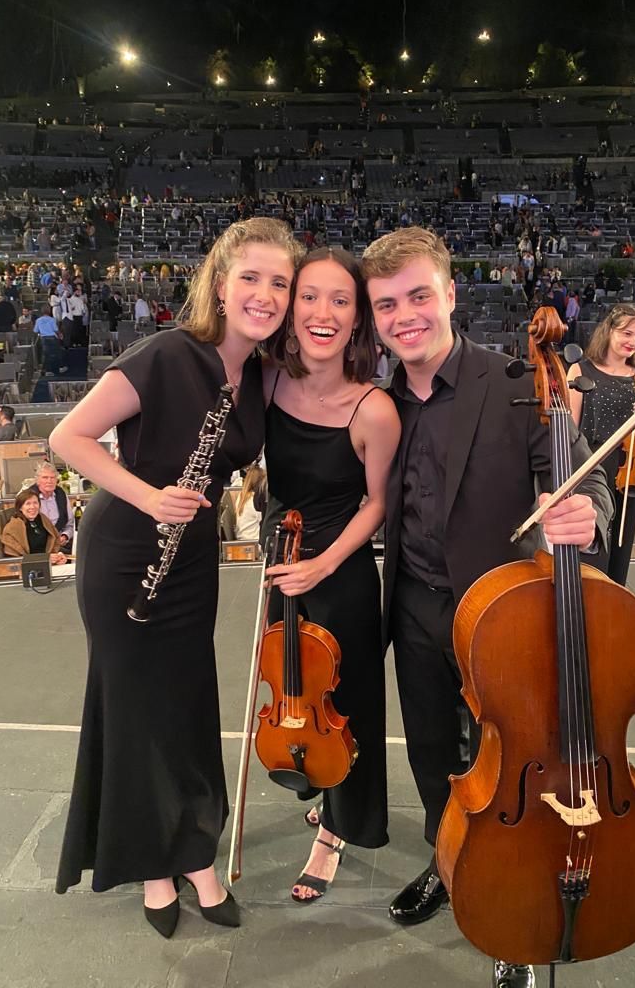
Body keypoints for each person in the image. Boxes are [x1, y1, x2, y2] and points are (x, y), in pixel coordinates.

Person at [360, 228, 613, 988]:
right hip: (414, 606)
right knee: (435, 757)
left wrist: (587, 513)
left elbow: (585, 480)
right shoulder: (380, 398)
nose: (404, 316)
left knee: (506, 764)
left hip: (500, 616)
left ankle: (515, 910)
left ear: (450, 295)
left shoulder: (515, 380)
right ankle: (450, 866)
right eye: (386, 305)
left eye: (417, 296)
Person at [51, 218, 301, 938]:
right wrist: (148, 495)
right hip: (127, 544)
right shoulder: (165, 353)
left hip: (190, 557)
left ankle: (197, 856)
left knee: (189, 705)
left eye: (278, 282)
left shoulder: (257, 374)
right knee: (135, 713)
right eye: (249, 277)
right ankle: (152, 871)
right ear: (220, 283)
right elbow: (67, 437)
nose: (263, 293)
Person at [262, 246, 401, 903]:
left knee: (346, 705)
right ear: (291, 311)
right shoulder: (268, 382)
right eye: (310, 297)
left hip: (338, 574)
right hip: (282, 567)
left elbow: (377, 503)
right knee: (295, 698)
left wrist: (322, 561)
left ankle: (339, 830)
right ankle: (319, 783)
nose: (323, 312)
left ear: (357, 321)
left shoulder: (374, 408)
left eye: (340, 301)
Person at [567, 304, 635, 587]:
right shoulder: (580, 369)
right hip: (592, 465)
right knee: (594, 546)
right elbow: (570, 430)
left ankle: (616, 604)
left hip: (630, 467)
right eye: (627, 333)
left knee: (621, 547)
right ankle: (588, 606)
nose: (633, 342)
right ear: (609, 330)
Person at [0, 488, 67, 564]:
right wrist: (44, 559)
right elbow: (14, 559)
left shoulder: (43, 519)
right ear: (20, 508)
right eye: (28, 504)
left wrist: (57, 557)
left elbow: (55, 540)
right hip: (27, 569)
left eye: (35, 503)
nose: (32, 507)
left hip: (48, 564)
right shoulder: (12, 527)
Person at [30, 461, 75, 554]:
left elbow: (70, 524)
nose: (49, 481)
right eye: (45, 477)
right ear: (37, 481)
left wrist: (65, 536)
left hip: (60, 545)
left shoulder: (61, 495)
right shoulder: (29, 497)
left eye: (52, 478)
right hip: (38, 547)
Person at [233, 462, 266, 541]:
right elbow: (264, 520)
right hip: (253, 541)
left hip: (242, 537)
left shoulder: (242, 496)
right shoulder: (254, 500)